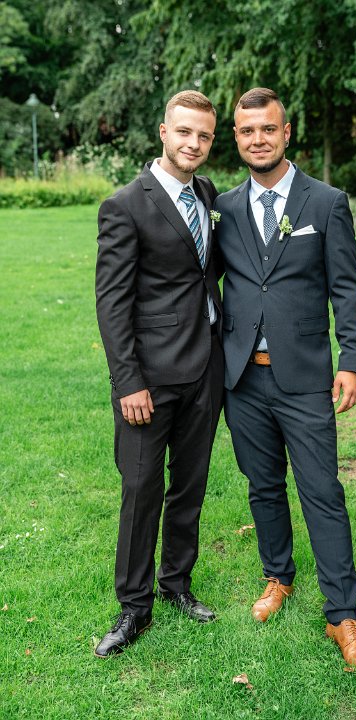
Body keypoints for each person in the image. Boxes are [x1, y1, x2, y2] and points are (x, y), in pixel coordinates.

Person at [214, 88, 356, 674]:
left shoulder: (326, 202)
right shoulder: (224, 208)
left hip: (306, 377)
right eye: (247, 131)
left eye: (268, 129)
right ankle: (278, 576)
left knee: (322, 493)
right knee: (263, 487)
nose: (257, 139)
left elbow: (347, 287)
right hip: (242, 379)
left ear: (286, 133)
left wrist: (352, 359)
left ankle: (342, 615)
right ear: (237, 138)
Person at [94, 90, 224, 658]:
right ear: (164, 132)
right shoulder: (125, 205)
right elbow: (111, 302)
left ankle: (177, 583)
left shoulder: (207, 194)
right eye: (184, 132)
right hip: (148, 378)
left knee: (190, 485)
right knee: (141, 490)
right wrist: (128, 381)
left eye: (204, 135)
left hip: (206, 369)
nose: (193, 143)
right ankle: (133, 605)